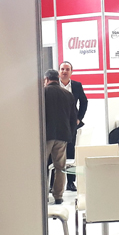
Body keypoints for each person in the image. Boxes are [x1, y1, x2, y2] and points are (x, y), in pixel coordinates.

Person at [43, 69, 77, 204]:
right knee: (60, 167)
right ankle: (58, 196)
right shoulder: (68, 94)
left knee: (42, 166)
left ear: (46, 79)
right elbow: (73, 117)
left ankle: (43, 195)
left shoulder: (42, 93)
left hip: (46, 135)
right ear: (57, 79)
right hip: (62, 135)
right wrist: (70, 134)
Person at [58, 61, 87, 191]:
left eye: (67, 69)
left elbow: (84, 102)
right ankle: (53, 183)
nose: (64, 71)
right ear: (59, 71)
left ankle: (71, 182)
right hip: (56, 123)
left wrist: (79, 118)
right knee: (55, 153)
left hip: (71, 124)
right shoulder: (54, 85)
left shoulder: (76, 85)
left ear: (71, 72)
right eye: (62, 69)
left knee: (70, 152)